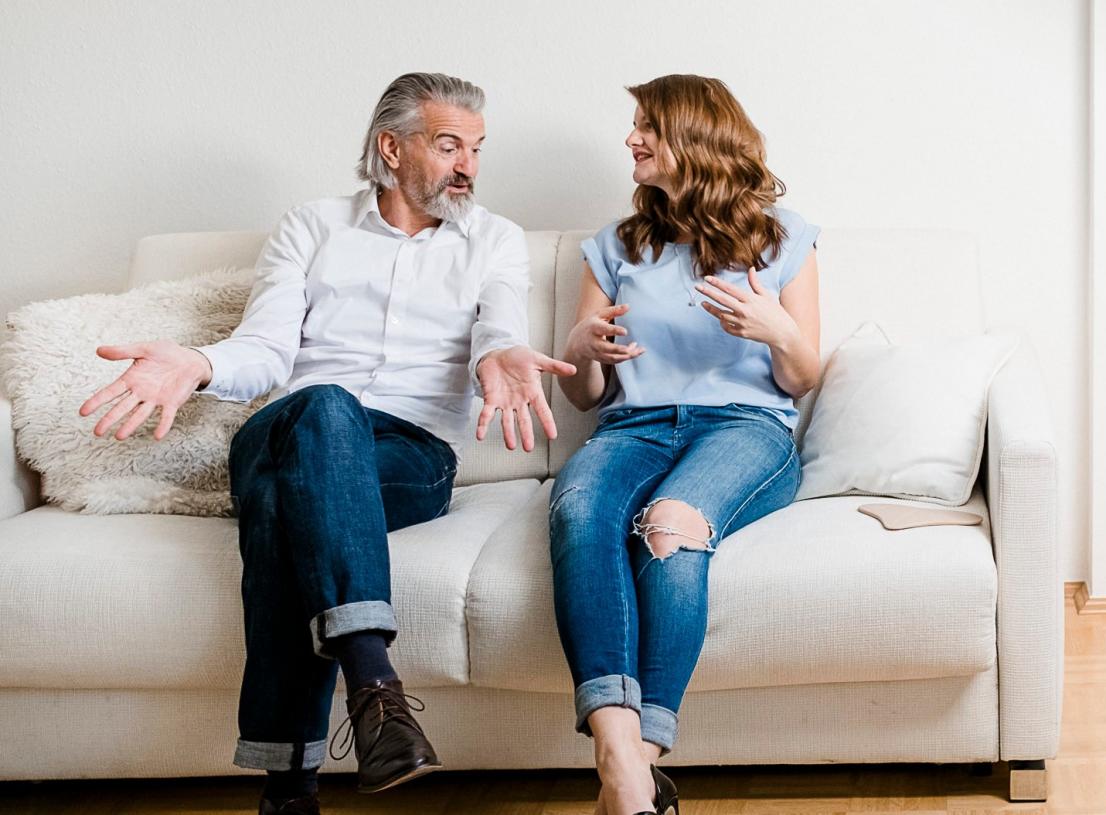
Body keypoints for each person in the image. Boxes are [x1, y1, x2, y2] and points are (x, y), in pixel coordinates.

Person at [78, 72, 574, 815]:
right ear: (390, 146)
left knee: (287, 503)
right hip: (288, 429)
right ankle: (375, 687)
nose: (468, 164)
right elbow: (268, 350)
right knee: (324, 407)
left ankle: (291, 789)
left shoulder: (494, 239)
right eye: (448, 145)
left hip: (407, 457)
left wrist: (500, 353)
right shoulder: (313, 226)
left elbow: (499, 325)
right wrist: (203, 361)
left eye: (476, 148)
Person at [550, 74, 822, 815]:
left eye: (648, 126)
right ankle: (625, 763)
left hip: (745, 427)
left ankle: (631, 764)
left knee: (671, 525)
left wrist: (779, 333)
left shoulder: (781, 236)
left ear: (696, 139)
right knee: (578, 509)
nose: (632, 138)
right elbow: (584, 394)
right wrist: (581, 347)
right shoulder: (614, 246)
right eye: (634, 124)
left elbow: (800, 378)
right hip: (632, 426)